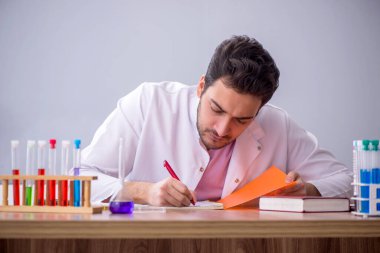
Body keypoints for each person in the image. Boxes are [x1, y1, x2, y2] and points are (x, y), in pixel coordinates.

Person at [80, 35, 353, 206]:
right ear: (200, 87)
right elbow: (78, 179)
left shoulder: (277, 125)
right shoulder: (148, 103)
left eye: (242, 120)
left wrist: (308, 189)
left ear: (259, 112)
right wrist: (142, 191)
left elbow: (347, 181)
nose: (223, 129)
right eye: (217, 109)